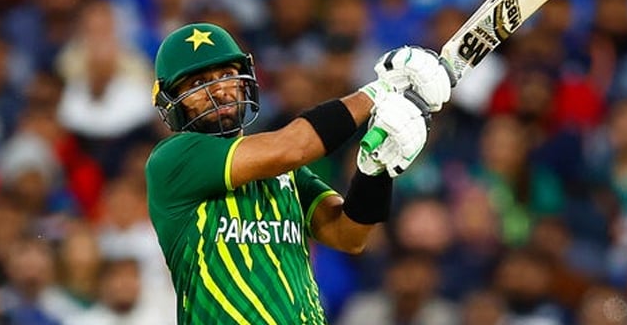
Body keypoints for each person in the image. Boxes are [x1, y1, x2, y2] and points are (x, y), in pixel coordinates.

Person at [144, 22, 455, 324]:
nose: (218, 90)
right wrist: (381, 91)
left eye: (226, 75)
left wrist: (375, 168)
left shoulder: (280, 170)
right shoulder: (172, 161)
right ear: (171, 102)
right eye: (198, 84)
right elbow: (294, 146)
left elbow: (348, 235)